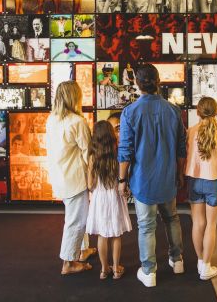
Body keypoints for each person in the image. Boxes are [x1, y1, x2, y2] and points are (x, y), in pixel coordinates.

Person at [118, 64, 186, 287]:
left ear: (137, 83)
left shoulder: (130, 112)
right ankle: (177, 261)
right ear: (158, 81)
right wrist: (180, 173)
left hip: (143, 181)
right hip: (167, 178)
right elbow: (181, 148)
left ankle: (149, 272)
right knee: (172, 218)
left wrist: (121, 180)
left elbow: (125, 151)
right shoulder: (173, 111)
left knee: (146, 226)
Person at [46, 81, 95, 275]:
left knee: (77, 215)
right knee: (76, 220)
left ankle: (82, 250)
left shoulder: (52, 119)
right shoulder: (78, 122)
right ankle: (69, 262)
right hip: (75, 178)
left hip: (60, 176)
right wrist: (92, 179)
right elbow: (88, 153)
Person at [185, 97, 217, 280]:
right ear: (216, 112)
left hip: (194, 181)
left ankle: (200, 260)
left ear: (197, 111)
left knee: (198, 223)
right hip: (214, 181)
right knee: (211, 225)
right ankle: (206, 267)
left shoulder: (190, 132)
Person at [86, 121, 132, 280]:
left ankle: (104, 269)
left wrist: (96, 189)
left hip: (99, 198)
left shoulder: (93, 156)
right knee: (116, 234)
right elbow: (123, 177)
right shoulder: (117, 154)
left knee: (102, 235)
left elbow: (89, 184)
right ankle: (116, 269)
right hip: (114, 197)